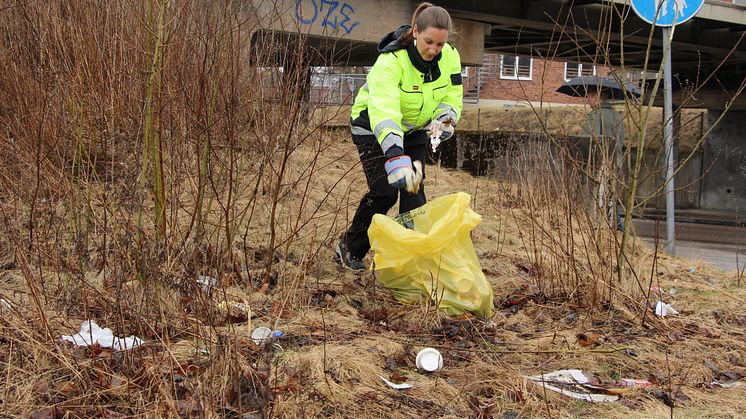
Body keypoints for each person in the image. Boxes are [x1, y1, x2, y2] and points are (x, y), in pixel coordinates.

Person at [334, 2, 463, 271]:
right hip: (373, 127)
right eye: (429, 42)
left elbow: (452, 97)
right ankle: (349, 247)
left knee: (413, 191)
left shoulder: (450, 56)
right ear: (415, 32)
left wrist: (444, 122)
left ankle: (412, 259)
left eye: (440, 45)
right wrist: (395, 153)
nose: (433, 50)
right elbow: (384, 110)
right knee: (385, 191)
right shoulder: (391, 62)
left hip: (414, 129)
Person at [583, 87, 626, 230]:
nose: (587, 100)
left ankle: (604, 228)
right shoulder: (618, 117)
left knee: (598, 200)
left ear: (595, 96)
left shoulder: (595, 116)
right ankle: (616, 227)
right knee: (610, 198)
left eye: (588, 96)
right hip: (616, 163)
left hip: (600, 165)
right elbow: (621, 143)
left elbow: (588, 143)